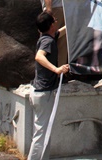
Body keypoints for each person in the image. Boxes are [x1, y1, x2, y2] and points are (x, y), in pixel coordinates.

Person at [28, 12, 70, 160]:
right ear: (51, 25)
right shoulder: (48, 42)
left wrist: (73, 21)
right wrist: (57, 69)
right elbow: (39, 56)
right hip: (43, 93)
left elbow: (61, 32)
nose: (56, 22)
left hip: (41, 92)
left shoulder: (47, 37)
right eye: (55, 20)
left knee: (45, 131)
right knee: (40, 133)